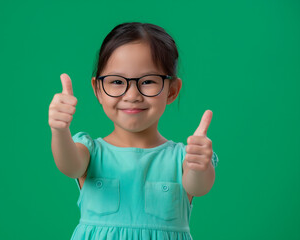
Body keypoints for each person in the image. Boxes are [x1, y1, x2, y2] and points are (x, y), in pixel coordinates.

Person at [48, 22, 219, 240]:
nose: (132, 95)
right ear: (98, 89)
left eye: (147, 81)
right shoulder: (90, 152)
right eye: (117, 81)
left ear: (172, 90)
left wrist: (199, 164)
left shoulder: (183, 158)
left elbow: (199, 184)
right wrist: (59, 130)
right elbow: (70, 165)